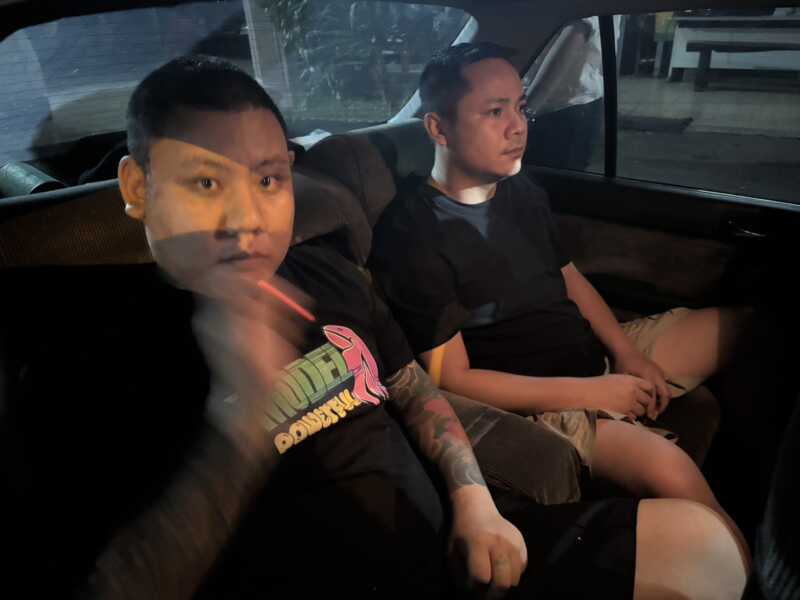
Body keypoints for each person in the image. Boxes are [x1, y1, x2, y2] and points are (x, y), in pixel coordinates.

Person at [81, 55, 747, 599]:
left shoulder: (325, 272)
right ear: (137, 187)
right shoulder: (99, 351)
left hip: (463, 543)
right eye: (205, 183)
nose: (247, 220)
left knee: (706, 550)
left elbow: (413, 386)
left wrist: (472, 497)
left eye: (269, 180)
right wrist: (240, 433)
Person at [369, 42, 751, 558]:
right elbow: (452, 379)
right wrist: (594, 394)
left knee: (743, 327)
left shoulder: (519, 188)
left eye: (521, 107)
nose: (518, 127)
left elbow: (568, 277)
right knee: (673, 470)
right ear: (438, 128)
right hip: (544, 402)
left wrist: (628, 353)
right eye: (495, 112)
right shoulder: (412, 235)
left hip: (590, 356)